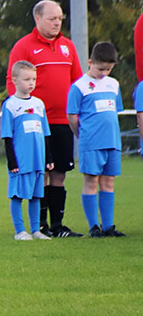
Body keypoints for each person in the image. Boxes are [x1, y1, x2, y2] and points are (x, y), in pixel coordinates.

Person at [6, 0, 83, 238]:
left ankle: (58, 225)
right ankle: (39, 226)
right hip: (37, 125)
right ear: (37, 18)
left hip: (63, 121)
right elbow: (11, 82)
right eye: (52, 18)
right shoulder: (23, 46)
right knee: (42, 173)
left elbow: (77, 82)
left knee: (59, 173)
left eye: (60, 18)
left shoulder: (68, 46)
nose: (57, 23)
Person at [66, 42, 125, 238]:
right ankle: (94, 226)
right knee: (91, 181)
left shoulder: (113, 84)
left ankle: (108, 226)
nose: (104, 73)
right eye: (100, 69)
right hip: (91, 143)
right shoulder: (79, 87)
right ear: (90, 63)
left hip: (112, 142)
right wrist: (82, 136)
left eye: (108, 69)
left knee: (108, 182)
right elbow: (72, 116)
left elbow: (114, 112)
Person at [1, 60, 53, 241]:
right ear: (15, 80)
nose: (31, 83)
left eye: (33, 79)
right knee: (17, 196)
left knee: (36, 196)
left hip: (37, 159)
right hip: (21, 160)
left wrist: (48, 158)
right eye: (26, 79)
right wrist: (12, 161)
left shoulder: (39, 104)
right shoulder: (10, 105)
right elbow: (7, 136)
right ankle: (20, 231)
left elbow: (45, 133)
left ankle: (36, 230)